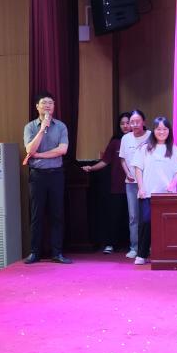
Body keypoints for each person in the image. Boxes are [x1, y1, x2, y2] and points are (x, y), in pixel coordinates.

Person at [22, 91, 71, 264]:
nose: (48, 105)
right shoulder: (30, 127)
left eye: (51, 103)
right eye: (44, 103)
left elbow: (62, 150)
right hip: (37, 176)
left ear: (54, 106)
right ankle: (35, 252)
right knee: (37, 215)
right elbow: (30, 149)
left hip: (56, 174)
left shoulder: (61, 126)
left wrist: (39, 155)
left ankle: (57, 253)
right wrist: (42, 129)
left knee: (57, 214)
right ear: (37, 107)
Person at [133, 116, 177, 266]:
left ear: (169, 131)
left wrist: (172, 185)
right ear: (153, 130)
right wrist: (141, 187)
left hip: (167, 195)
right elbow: (138, 168)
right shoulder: (145, 148)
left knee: (167, 224)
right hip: (147, 193)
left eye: (165, 129)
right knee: (146, 222)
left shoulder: (174, 149)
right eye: (158, 129)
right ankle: (141, 254)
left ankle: (166, 254)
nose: (161, 132)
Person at [82, 112, 131, 253]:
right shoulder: (115, 142)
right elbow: (105, 161)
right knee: (115, 215)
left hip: (136, 185)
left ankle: (134, 245)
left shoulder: (139, 140)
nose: (125, 126)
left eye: (127, 123)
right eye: (122, 123)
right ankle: (111, 244)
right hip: (118, 184)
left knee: (133, 217)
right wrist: (91, 168)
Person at [119, 109, 151, 259]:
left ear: (144, 122)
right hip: (131, 183)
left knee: (148, 216)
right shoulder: (126, 138)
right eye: (132, 122)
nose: (134, 124)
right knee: (133, 216)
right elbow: (122, 159)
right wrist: (127, 173)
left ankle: (149, 246)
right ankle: (134, 247)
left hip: (148, 183)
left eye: (138, 121)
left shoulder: (151, 136)